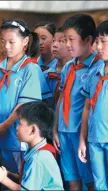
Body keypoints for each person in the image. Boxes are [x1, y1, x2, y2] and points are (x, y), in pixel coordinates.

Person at [0, 19, 42, 174]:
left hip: (17, 139)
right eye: (3, 41)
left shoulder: (30, 69)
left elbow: (24, 105)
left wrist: (3, 127)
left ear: (25, 41)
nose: (6, 46)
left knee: (15, 177)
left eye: (11, 42)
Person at [53, 13, 103, 190]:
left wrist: (83, 137)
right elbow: (61, 100)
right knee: (71, 178)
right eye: (65, 39)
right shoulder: (69, 67)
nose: (67, 44)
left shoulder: (98, 67)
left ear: (88, 39)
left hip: (81, 133)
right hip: (64, 131)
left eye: (71, 39)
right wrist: (55, 129)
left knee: (90, 179)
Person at [0, 101, 64, 190]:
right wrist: (7, 173)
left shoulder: (38, 158)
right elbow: (26, 178)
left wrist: (3, 179)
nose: (16, 128)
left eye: (19, 124)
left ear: (32, 130)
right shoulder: (35, 150)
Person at [78, 20, 108, 190]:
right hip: (94, 139)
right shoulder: (94, 73)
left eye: (103, 42)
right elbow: (87, 107)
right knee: (99, 184)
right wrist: (82, 140)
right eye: (97, 42)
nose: (98, 47)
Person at [45, 27, 72, 109]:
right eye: (53, 41)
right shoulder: (46, 75)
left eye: (61, 41)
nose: (55, 45)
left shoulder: (76, 74)